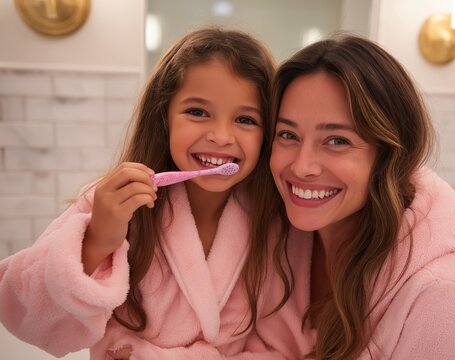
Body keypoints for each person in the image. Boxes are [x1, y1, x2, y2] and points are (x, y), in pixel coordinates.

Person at [0, 28, 286, 359]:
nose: (221, 136)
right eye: (197, 112)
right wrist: (95, 241)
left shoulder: (274, 222)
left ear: (267, 134)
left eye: (246, 119)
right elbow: (24, 316)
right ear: (163, 117)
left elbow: (283, 346)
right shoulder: (113, 203)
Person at [248, 34, 455, 359]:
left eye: (337, 140)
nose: (302, 165)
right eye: (288, 135)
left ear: (389, 156)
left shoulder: (446, 302)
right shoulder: (278, 245)